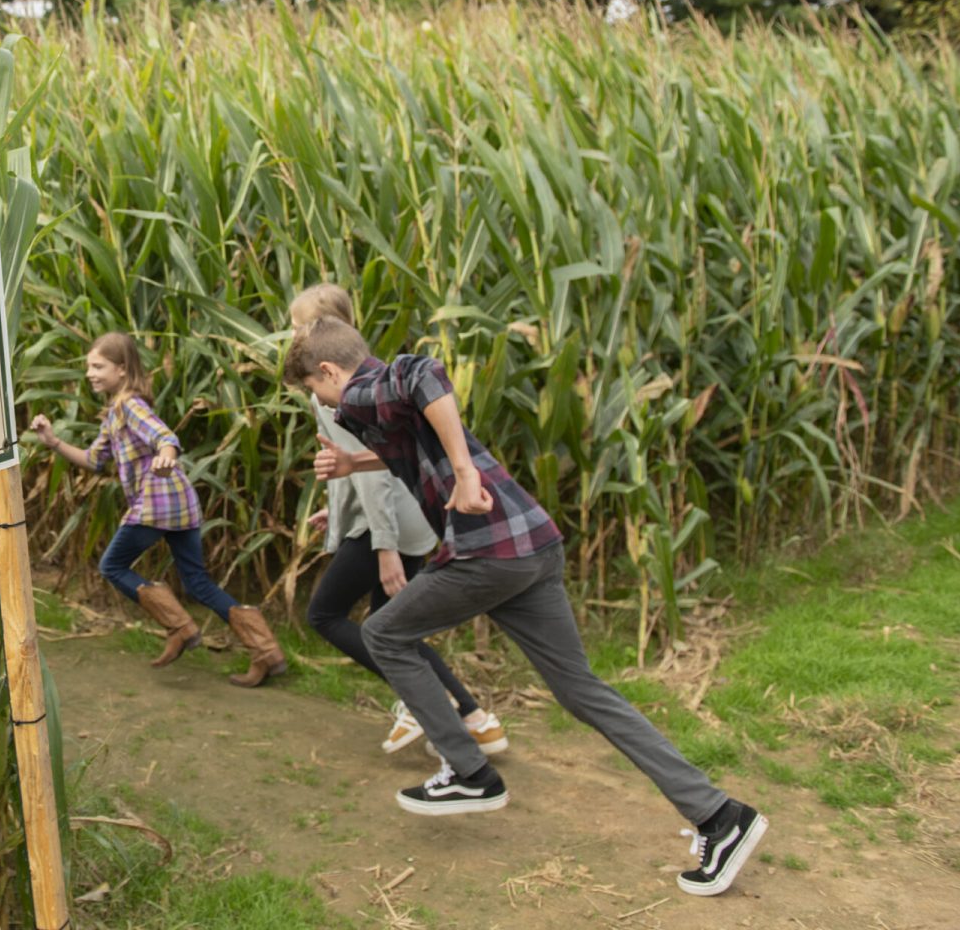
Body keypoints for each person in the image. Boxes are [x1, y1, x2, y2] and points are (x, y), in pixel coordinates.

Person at [286, 316, 765, 897]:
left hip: (489, 553)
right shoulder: (378, 406)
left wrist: (465, 473)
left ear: (331, 371)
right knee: (581, 691)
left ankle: (469, 772)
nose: (322, 399)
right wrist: (353, 463)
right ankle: (719, 815)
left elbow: (425, 375)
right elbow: (418, 442)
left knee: (385, 634)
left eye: (316, 388)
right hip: (532, 545)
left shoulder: (368, 385)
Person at [288, 285, 506, 756]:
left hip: (386, 521)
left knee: (326, 614)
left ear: (322, 332)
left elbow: (376, 469)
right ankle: (477, 720)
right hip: (407, 515)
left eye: (298, 326)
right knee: (390, 623)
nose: (292, 335)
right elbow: (354, 462)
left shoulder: (332, 388)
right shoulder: (366, 372)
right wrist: (338, 506)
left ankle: (426, 700)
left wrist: (384, 547)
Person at [31, 331, 287, 687]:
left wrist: (166, 458)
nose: (90, 373)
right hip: (180, 504)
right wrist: (53, 441)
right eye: (88, 366)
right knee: (198, 583)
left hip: (157, 504)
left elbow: (165, 437)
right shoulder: (114, 413)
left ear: (122, 369)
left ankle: (180, 628)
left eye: (98, 366)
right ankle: (266, 651)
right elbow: (93, 460)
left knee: (112, 565)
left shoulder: (129, 405)